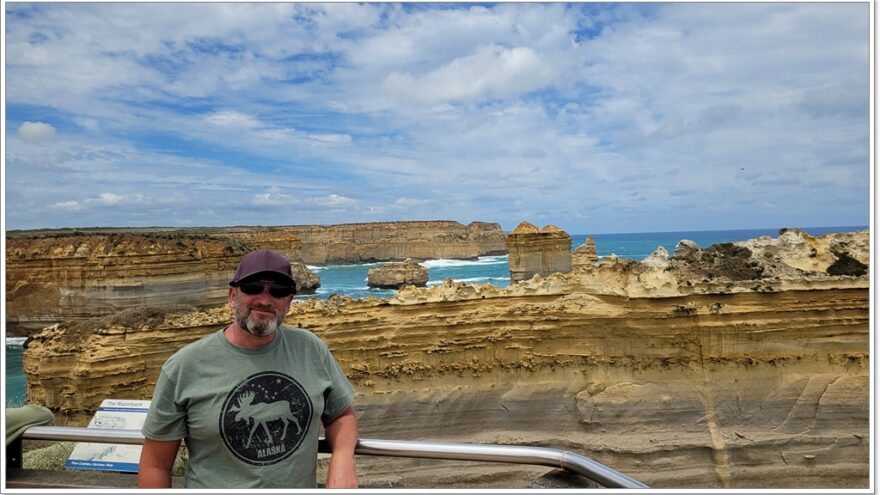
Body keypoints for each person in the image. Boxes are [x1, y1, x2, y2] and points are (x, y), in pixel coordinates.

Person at [138, 250, 358, 488]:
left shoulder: (311, 349)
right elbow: (155, 465)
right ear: (232, 296)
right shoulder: (183, 367)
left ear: (290, 302)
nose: (265, 299)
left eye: (279, 290)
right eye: (253, 286)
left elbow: (341, 415)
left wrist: (343, 457)